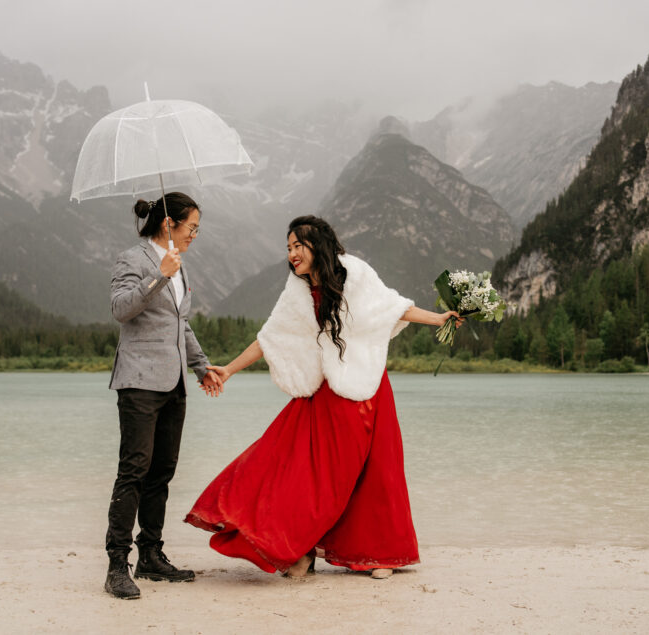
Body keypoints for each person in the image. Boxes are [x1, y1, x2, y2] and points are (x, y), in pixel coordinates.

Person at [185, 215, 461, 579]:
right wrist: (229, 369)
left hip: (367, 385)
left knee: (375, 470)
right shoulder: (296, 289)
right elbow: (271, 338)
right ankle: (300, 550)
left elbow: (393, 308)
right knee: (290, 464)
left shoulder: (355, 272)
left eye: (298, 246)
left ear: (318, 244)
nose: (292, 254)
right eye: (288, 248)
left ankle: (378, 554)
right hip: (325, 392)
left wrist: (439, 319)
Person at [104, 191, 224, 600]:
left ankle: (150, 555)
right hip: (138, 382)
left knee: (162, 473)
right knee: (133, 471)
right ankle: (117, 565)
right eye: (191, 227)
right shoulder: (133, 259)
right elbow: (120, 309)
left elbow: (181, 324)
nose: (195, 235)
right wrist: (160, 275)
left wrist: (202, 366)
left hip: (174, 384)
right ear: (168, 223)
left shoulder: (181, 266)